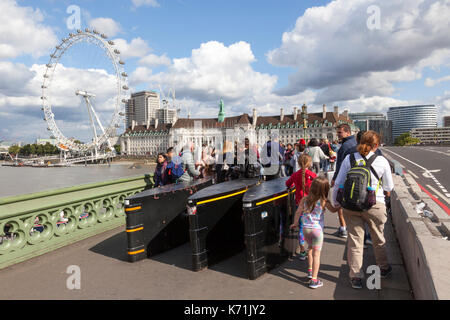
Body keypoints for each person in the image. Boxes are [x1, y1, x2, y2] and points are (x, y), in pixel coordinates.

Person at [332, 130, 394, 289]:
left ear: (360, 143)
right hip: (375, 204)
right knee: (378, 238)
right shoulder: (381, 160)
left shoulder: (349, 158)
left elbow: (339, 182)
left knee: (354, 241)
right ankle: (383, 268)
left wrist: (335, 202)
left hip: (351, 206)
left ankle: (356, 277)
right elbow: (389, 187)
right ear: (376, 145)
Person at [290, 176, 340, 289]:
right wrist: (340, 206)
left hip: (306, 230)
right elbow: (333, 210)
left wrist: (295, 223)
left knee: (310, 250)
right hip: (317, 231)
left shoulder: (305, 199)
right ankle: (314, 280)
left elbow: (298, 212)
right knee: (316, 254)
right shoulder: (323, 201)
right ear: (325, 190)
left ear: (312, 187)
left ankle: (310, 271)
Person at [286, 154, 316, 261]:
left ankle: (302, 251)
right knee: (312, 226)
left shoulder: (295, 175)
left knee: (301, 228)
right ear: (309, 163)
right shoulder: (312, 175)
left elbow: (287, 184)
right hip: (311, 204)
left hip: (299, 203)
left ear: (298, 163)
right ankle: (311, 249)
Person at [331, 124, 357, 238]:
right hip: (355, 177)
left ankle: (343, 228)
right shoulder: (355, 142)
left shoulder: (345, 146)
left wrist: (335, 179)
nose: (338, 135)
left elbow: (340, 164)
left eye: (340, 132)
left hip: (345, 178)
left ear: (347, 132)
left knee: (340, 203)